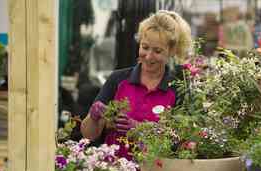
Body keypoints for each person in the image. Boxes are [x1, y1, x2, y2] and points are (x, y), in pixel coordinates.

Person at [80, 10, 192, 158]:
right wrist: (94, 117)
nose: (148, 56)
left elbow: (181, 141)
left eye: (157, 51)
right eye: (145, 47)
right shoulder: (118, 80)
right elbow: (89, 135)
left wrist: (139, 129)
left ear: (171, 51)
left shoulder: (177, 88)